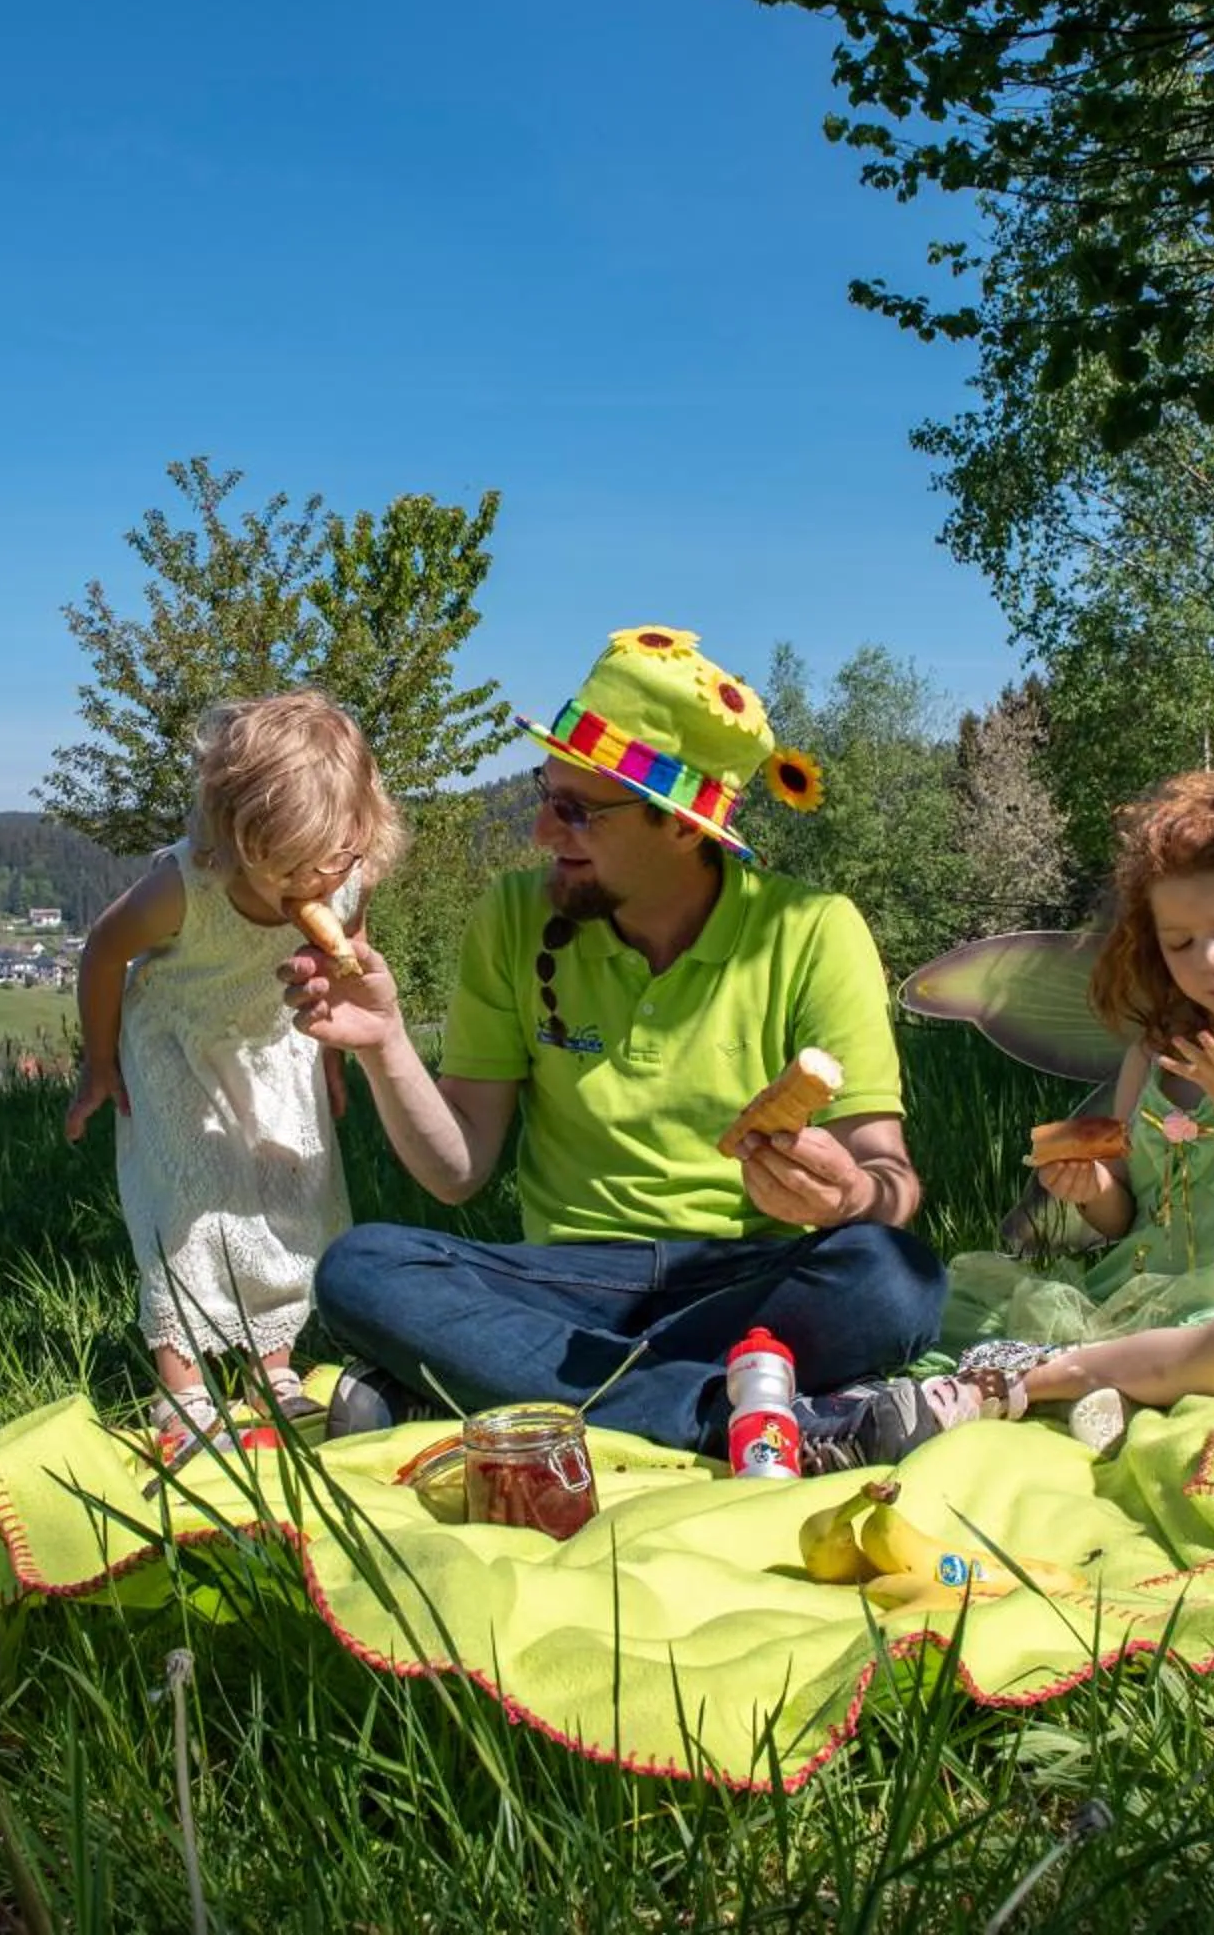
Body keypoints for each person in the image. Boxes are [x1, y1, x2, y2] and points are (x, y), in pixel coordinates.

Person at [283, 626, 948, 1468]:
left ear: (680, 825)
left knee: (896, 1280)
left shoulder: (812, 930)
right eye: (545, 791)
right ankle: (722, 1411)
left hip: (746, 1278)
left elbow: (889, 1182)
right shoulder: (514, 918)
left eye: (578, 810)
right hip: (564, 1287)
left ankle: (488, 1386)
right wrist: (384, 1043)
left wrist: (849, 1194)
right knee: (363, 1268)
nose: (539, 831)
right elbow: (457, 1174)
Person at [927, 770, 1214, 1448]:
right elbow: (1129, 1213)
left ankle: (1028, 1382)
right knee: (942, 1303)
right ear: (1153, 946)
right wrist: (1091, 1189)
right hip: (1136, 1294)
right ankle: (1112, 1384)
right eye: (1182, 943)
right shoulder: (1154, 1053)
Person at [65, 691, 401, 1463]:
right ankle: (181, 1385)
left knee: (291, 1196)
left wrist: (331, 1053)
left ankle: (270, 1366)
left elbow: (343, 950)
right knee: (193, 1201)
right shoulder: (185, 887)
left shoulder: (346, 872)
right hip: (177, 1048)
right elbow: (104, 952)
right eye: (294, 871)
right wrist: (99, 1062)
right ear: (239, 838)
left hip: (276, 1045)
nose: (320, 883)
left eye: (338, 861)